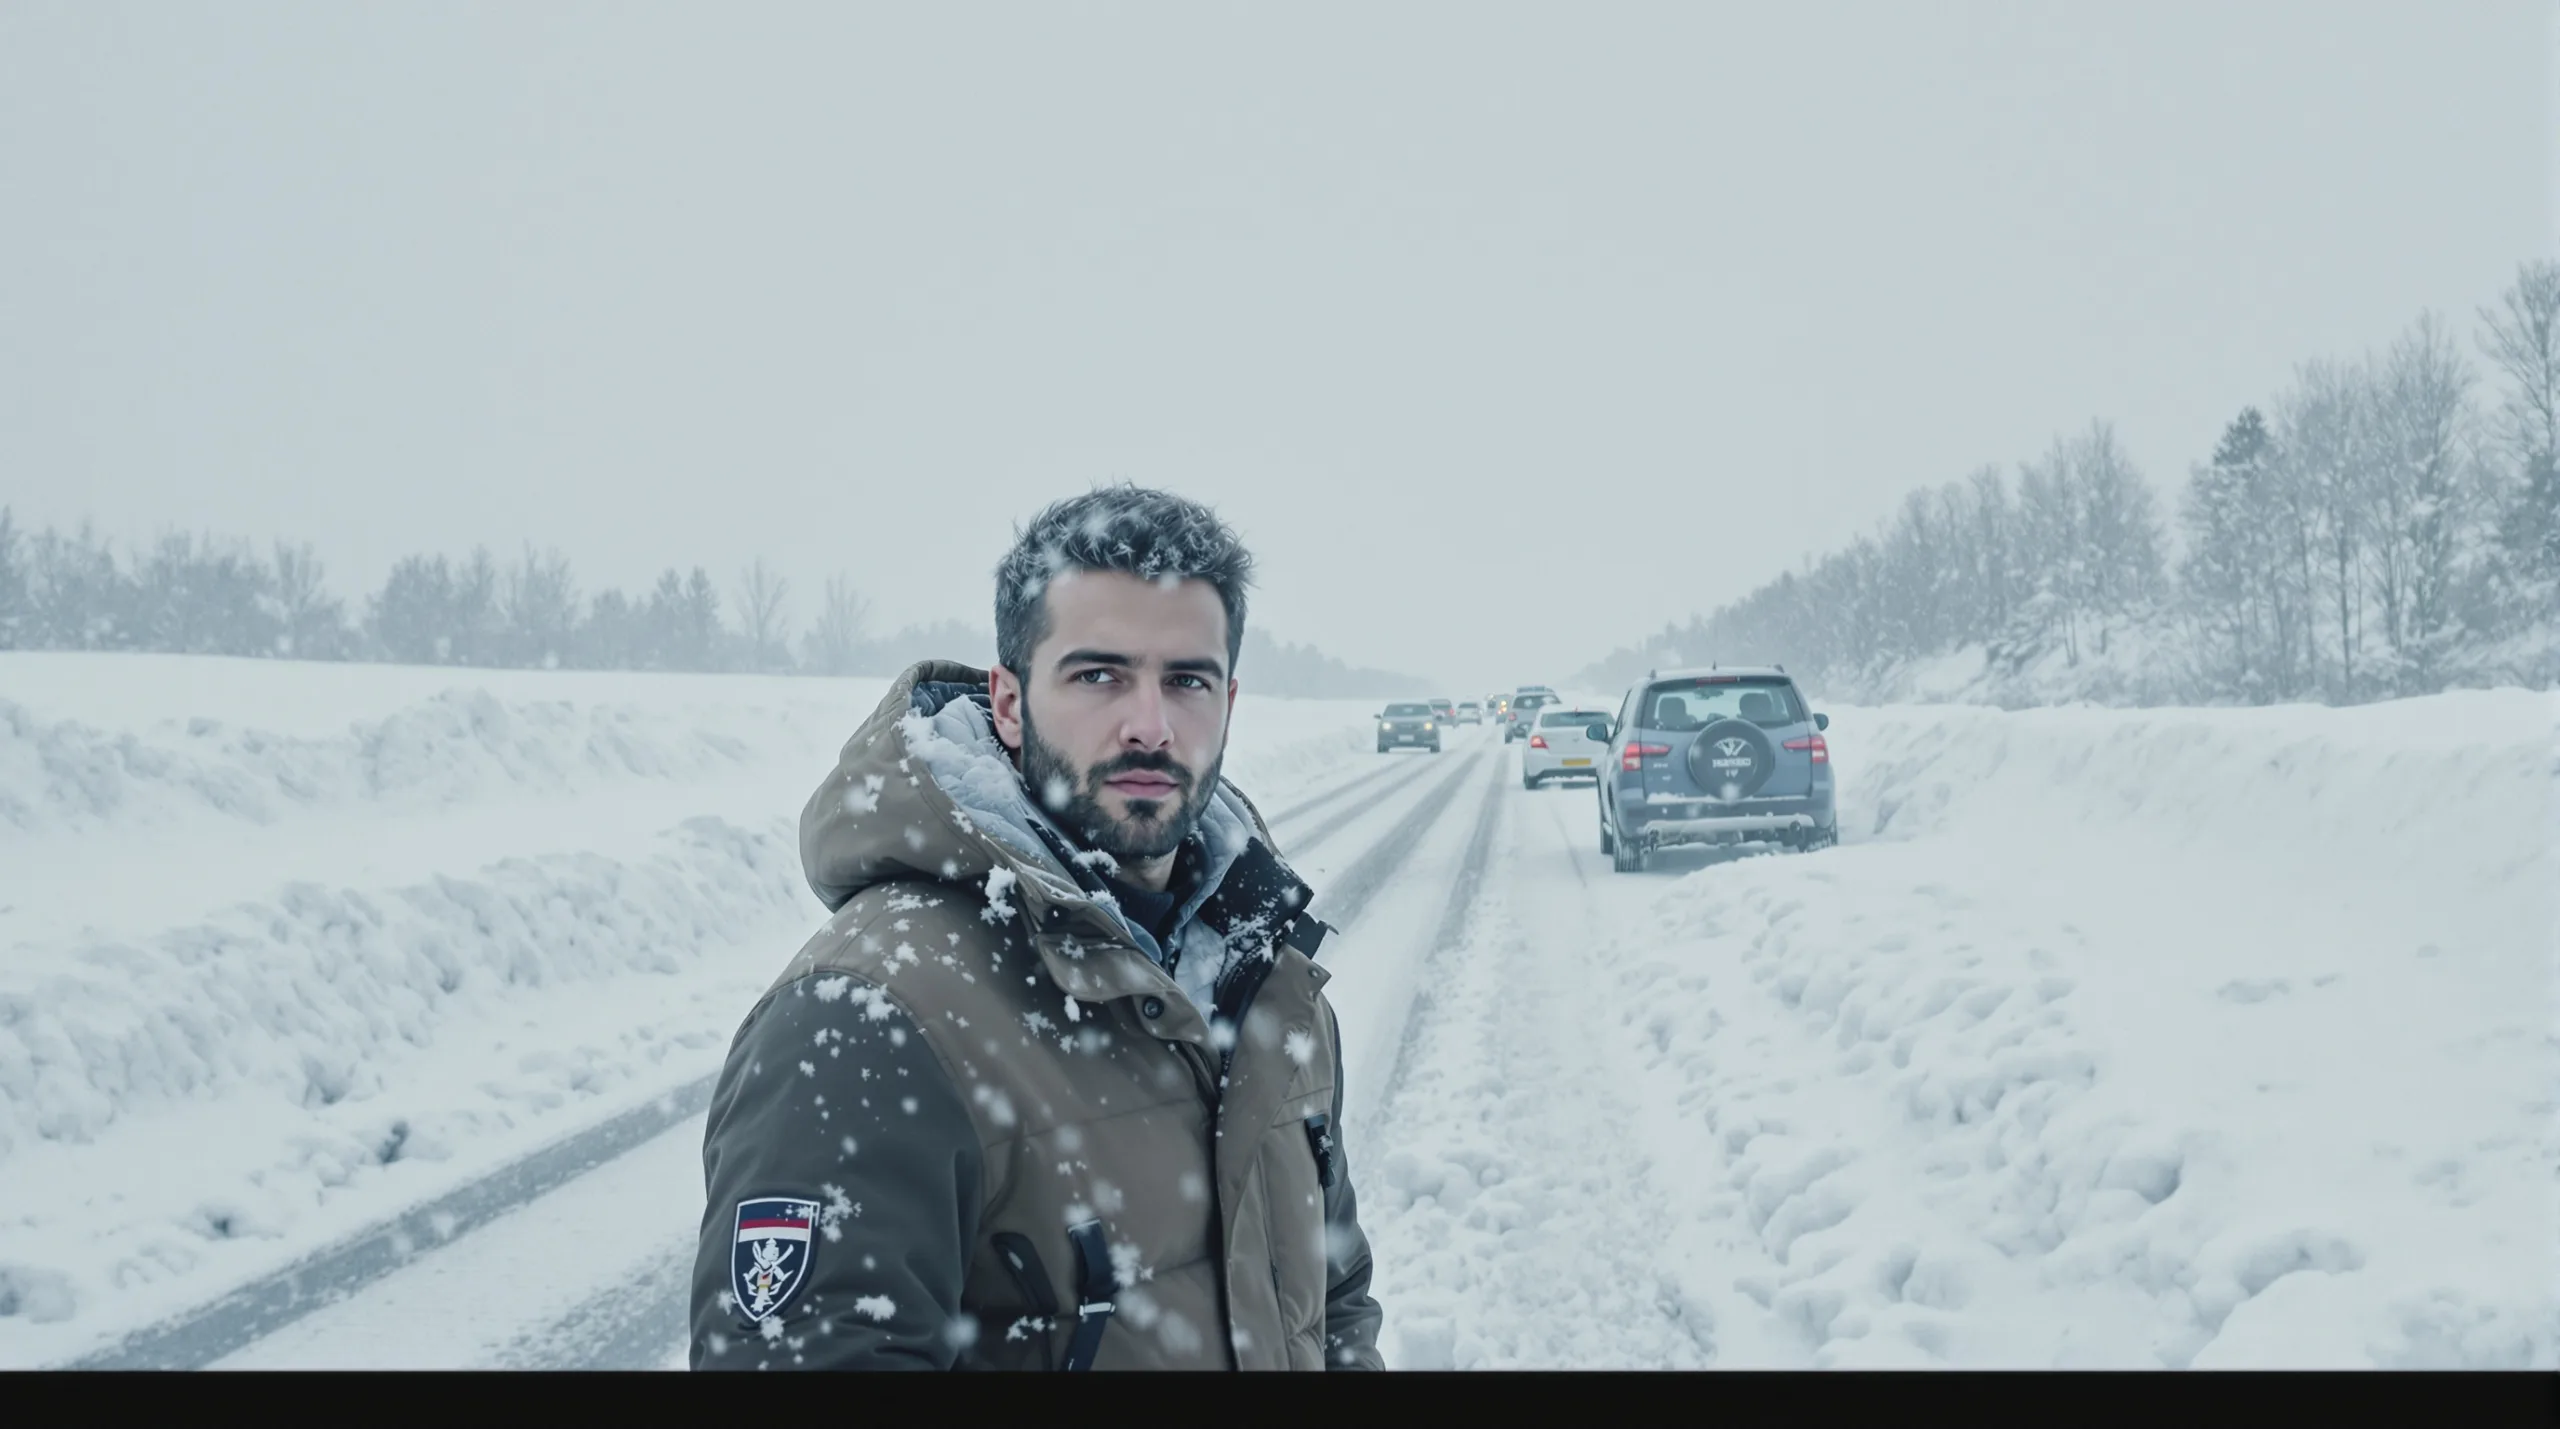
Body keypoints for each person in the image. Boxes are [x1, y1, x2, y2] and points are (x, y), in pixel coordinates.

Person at [690, 484, 1386, 1371]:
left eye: (1187, 680)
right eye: (1099, 674)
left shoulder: (1265, 979)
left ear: (1230, 701)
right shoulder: (868, 1017)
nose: (1150, 723)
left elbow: (1336, 1299)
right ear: (1010, 702)